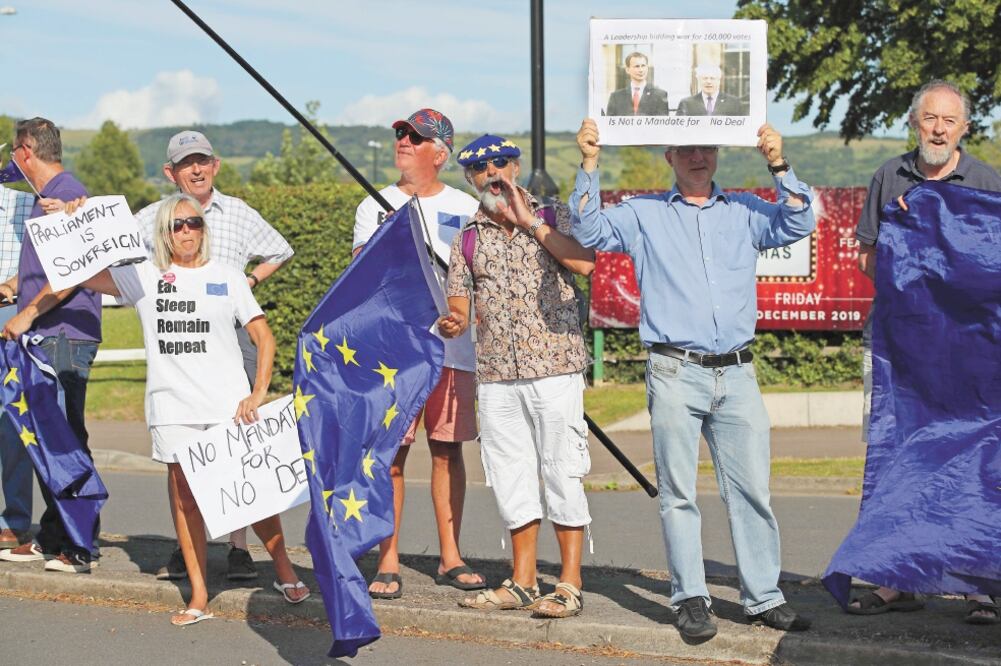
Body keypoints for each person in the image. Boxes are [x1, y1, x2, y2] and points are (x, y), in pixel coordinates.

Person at [569, 119, 814, 641]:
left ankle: (763, 597)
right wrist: (590, 163)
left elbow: (800, 222)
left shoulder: (746, 210)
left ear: (718, 150)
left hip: (738, 372)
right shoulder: (643, 213)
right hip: (675, 370)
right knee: (678, 493)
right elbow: (587, 232)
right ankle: (691, 599)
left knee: (751, 491)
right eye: (685, 147)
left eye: (705, 146)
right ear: (669, 154)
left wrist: (779, 164)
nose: (697, 155)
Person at [80, 192, 308, 625]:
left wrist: (258, 393)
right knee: (186, 501)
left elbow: (264, 338)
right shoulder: (143, 276)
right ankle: (199, 595)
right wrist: (76, 216)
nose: (186, 231)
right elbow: (81, 274)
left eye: (194, 223)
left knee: (253, 496)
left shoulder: (228, 276)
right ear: (163, 233)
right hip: (171, 408)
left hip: (228, 407)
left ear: (205, 229)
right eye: (176, 225)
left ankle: (283, 571)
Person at [849, 79, 1001, 625]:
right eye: (929, 118)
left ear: (964, 128)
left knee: (973, 459)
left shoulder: (987, 183)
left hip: (969, 356)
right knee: (897, 457)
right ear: (915, 122)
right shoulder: (889, 177)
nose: (938, 128)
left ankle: (978, 587)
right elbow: (865, 258)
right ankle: (895, 582)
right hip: (901, 350)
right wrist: (903, 247)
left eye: (949, 121)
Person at [439, 134, 594, 619]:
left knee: (562, 470)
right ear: (470, 178)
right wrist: (455, 321)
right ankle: (524, 579)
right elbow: (460, 304)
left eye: (502, 163)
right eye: (483, 169)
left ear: (516, 165)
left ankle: (569, 582)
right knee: (510, 476)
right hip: (497, 374)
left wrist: (531, 224)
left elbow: (584, 264)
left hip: (555, 366)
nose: (494, 174)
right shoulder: (466, 236)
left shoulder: (554, 215)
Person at [133, 130, 294, 582]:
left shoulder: (238, 212)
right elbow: (109, 250)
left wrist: (250, 283)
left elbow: (281, 248)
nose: (197, 169)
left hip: (230, 333)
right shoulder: (152, 216)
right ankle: (191, 549)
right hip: (180, 340)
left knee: (236, 449)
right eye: (187, 163)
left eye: (202, 160)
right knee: (182, 461)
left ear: (216, 164)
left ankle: (238, 546)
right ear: (172, 172)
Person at [352, 109, 484, 599]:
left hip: (454, 349)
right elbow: (364, 281)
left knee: (447, 450)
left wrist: (462, 314)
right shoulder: (375, 205)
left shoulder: (466, 205)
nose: (403, 141)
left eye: (415, 137)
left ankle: (451, 555)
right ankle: (388, 559)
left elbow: (477, 277)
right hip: (396, 354)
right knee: (392, 455)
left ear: (440, 153)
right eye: (401, 134)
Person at [0, 118, 102, 573]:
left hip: (61, 335)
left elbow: (71, 275)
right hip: (51, 332)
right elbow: (46, 272)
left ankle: (79, 544)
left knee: (64, 440)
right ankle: (55, 534)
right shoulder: (53, 199)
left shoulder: (67, 197)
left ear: (25, 151)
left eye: (12, 154)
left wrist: (25, 313)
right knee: (49, 437)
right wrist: (14, 287)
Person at [605, 52, 670, 117]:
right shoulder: (616, 97)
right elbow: (609, 124)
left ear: (647, 68)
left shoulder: (660, 95)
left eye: (643, 66)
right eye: (637, 66)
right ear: (627, 70)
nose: (641, 70)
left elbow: (662, 125)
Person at [675, 64, 743, 117]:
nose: (708, 82)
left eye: (712, 78)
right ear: (699, 80)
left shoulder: (733, 102)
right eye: (705, 78)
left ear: (719, 81)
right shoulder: (686, 104)